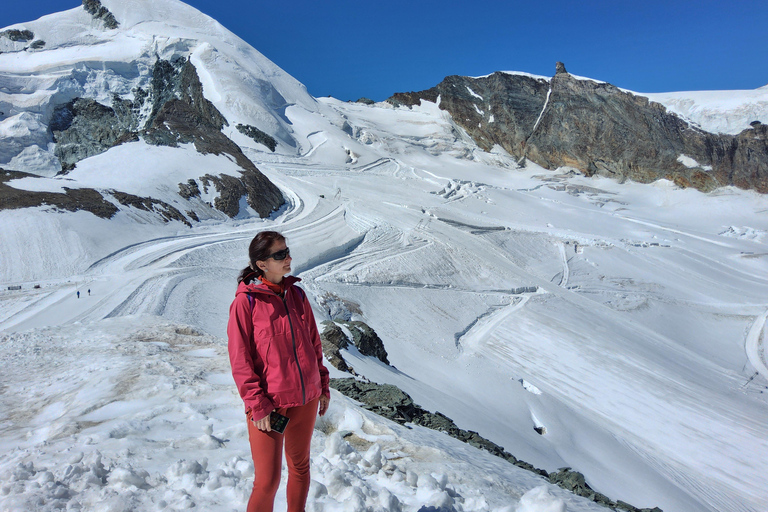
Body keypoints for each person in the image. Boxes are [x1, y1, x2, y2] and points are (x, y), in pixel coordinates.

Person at [227, 231, 330, 512]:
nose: (288, 258)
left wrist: (322, 385)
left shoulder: (296, 294)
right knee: (267, 482)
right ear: (261, 264)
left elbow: (313, 344)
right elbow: (240, 360)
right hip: (269, 406)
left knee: (300, 468)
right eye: (280, 254)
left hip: (306, 398)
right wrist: (257, 405)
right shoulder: (245, 303)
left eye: (287, 251)